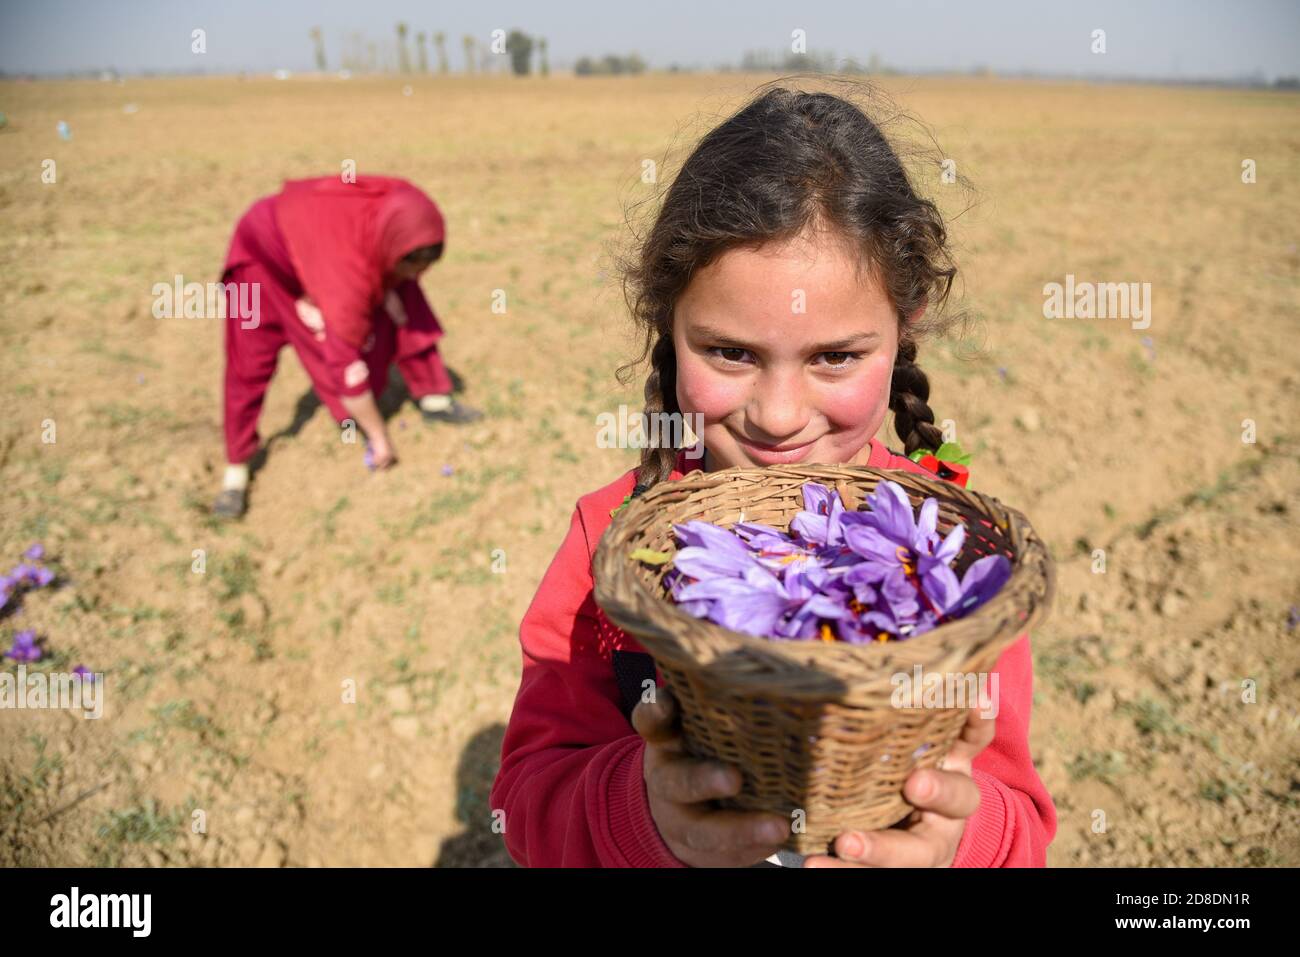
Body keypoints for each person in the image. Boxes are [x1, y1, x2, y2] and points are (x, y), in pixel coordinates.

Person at [491, 85, 1056, 867]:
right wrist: (645, 814)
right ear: (669, 322)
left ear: (908, 322)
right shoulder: (611, 545)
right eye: (730, 352)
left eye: (834, 357)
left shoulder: (953, 569)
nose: (780, 416)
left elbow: (1019, 823)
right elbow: (527, 807)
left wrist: (958, 839)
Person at [214, 174, 482, 518]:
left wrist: (392, 284)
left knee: (406, 296)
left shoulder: (396, 210)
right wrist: (379, 438)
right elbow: (346, 366)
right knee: (248, 363)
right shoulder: (346, 283)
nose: (420, 275)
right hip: (260, 266)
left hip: (322, 246)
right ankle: (236, 468)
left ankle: (434, 396)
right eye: (415, 267)